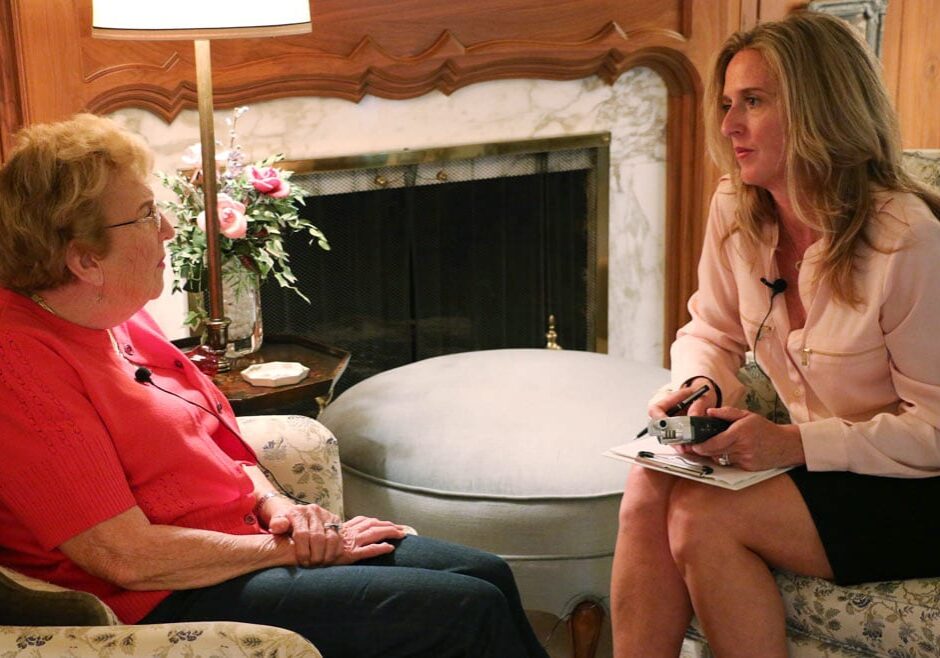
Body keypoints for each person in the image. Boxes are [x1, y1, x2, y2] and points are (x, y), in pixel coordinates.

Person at [0, 113, 549, 658]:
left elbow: (217, 442)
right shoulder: (19, 368)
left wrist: (278, 506)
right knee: (461, 609)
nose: (168, 227)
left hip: (239, 542)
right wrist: (285, 549)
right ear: (85, 258)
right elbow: (124, 556)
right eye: (146, 215)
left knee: (486, 572)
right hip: (167, 591)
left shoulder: (117, 313)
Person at [610, 11, 940, 658]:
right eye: (728, 103)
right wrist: (698, 384)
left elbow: (936, 427)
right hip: (822, 461)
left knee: (706, 520)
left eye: (754, 102)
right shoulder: (736, 209)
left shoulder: (908, 240)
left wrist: (791, 444)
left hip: (918, 482)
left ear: (821, 108)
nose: (729, 124)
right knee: (650, 484)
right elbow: (711, 328)